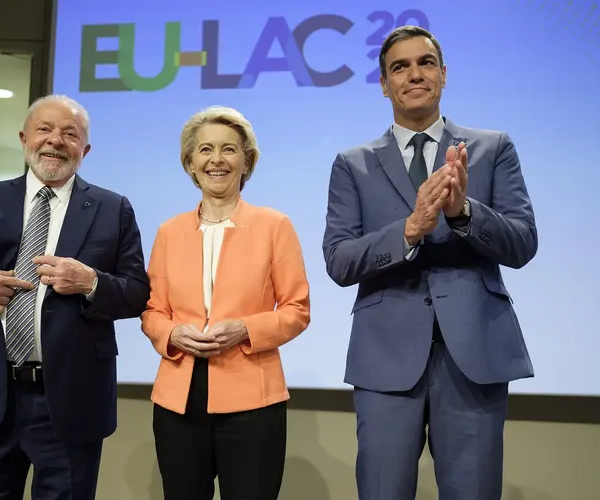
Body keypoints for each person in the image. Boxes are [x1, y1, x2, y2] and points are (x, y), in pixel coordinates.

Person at [322, 26, 537, 499]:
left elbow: (522, 244)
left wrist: (464, 213)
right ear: (384, 84)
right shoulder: (352, 163)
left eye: (425, 63)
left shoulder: (492, 148)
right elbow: (338, 260)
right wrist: (409, 228)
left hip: (474, 355)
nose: (414, 74)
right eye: (399, 67)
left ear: (443, 74)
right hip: (385, 360)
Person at [0, 94, 150, 499]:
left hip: (71, 402)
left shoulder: (114, 209)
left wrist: (92, 281)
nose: (55, 140)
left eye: (70, 133)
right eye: (45, 129)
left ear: (86, 149)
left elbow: (136, 293)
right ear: (25, 138)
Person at [141, 105, 311, 500]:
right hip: (177, 403)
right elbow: (152, 313)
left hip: (254, 401)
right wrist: (172, 332)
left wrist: (245, 329)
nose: (216, 160)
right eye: (205, 150)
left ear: (246, 161)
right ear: (190, 162)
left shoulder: (275, 226)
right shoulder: (169, 231)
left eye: (229, 149)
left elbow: (297, 310)